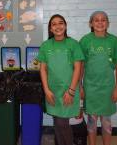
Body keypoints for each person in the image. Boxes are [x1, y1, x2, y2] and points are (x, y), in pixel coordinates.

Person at [79, 11, 117, 145]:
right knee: (92, 121)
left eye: (103, 20)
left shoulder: (114, 41)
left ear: (108, 23)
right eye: (96, 20)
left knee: (106, 122)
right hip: (90, 89)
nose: (100, 23)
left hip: (108, 88)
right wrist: (80, 86)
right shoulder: (85, 41)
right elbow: (80, 66)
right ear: (91, 23)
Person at [37, 14, 84, 145]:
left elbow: (78, 69)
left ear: (65, 26)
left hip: (69, 90)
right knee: (57, 123)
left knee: (62, 123)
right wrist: (46, 90)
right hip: (52, 91)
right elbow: (43, 69)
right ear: (50, 29)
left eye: (60, 23)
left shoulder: (73, 44)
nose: (58, 26)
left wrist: (71, 91)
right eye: (54, 24)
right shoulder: (46, 46)